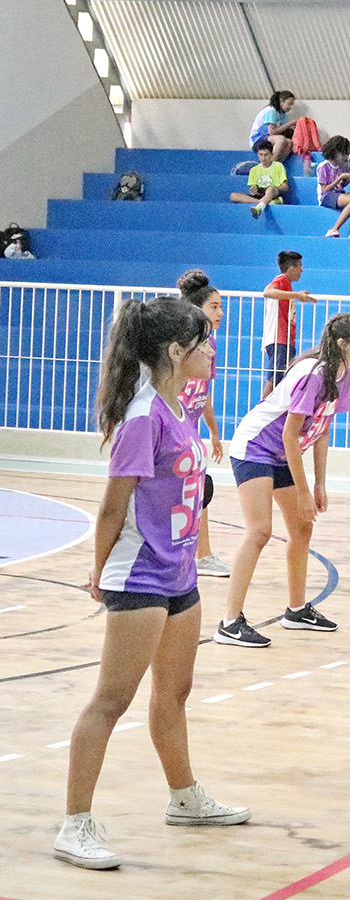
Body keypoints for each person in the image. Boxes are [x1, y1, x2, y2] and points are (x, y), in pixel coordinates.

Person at [56, 296, 249, 870]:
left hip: (180, 573)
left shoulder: (178, 406)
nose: (213, 349)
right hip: (139, 575)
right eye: (203, 341)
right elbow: (112, 507)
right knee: (111, 701)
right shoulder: (143, 418)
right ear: (175, 350)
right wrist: (99, 572)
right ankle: (75, 825)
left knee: (174, 694)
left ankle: (184, 798)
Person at [217, 314, 350, 647]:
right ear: (343, 343)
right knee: (260, 530)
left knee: (302, 528)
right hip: (256, 447)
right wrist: (302, 490)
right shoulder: (313, 374)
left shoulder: (346, 372)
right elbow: (290, 434)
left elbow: (322, 430)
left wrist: (319, 484)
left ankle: (297, 610)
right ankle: (229, 622)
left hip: (283, 453)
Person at [176, 271, 231, 578]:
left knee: (199, 491)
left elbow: (204, 392)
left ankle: (203, 555)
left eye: (221, 306)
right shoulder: (182, 343)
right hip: (174, 433)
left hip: (192, 433)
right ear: (197, 310)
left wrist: (213, 432)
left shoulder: (210, 343)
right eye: (214, 307)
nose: (220, 312)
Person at [261, 250, 313, 397]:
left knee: (281, 379)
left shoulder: (286, 285)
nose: (302, 270)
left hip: (286, 339)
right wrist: (297, 295)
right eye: (300, 266)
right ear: (291, 268)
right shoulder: (281, 279)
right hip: (279, 338)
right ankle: (261, 409)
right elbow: (267, 292)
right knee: (274, 378)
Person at [317, 136, 350, 239]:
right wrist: (340, 178)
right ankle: (334, 229)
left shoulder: (342, 166)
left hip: (339, 193)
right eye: (344, 154)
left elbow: (342, 185)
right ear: (335, 152)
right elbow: (325, 189)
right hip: (327, 196)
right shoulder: (323, 167)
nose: (346, 157)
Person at [231, 140, 288, 219]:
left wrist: (273, 187)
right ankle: (262, 202)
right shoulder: (254, 170)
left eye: (266, 155)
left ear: (272, 154)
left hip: (274, 192)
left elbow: (285, 187)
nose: (263, 158)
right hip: (260, 194)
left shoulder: (278, 166)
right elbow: (252, 188)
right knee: (233, 196)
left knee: (270, 190)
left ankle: (260, 207)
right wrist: (253, 190)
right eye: (261, 155)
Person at [249, 89, 296, 164]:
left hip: (269, 139)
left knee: (289, 143)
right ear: (282, 101)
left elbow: (282, 131)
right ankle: (269, 165)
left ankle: (277, 163)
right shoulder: (271, 111)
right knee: (281, 139)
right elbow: (272, 132)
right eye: (289, 104)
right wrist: (289, 124)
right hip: (257, 139)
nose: (291, 107)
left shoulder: (283, 115)